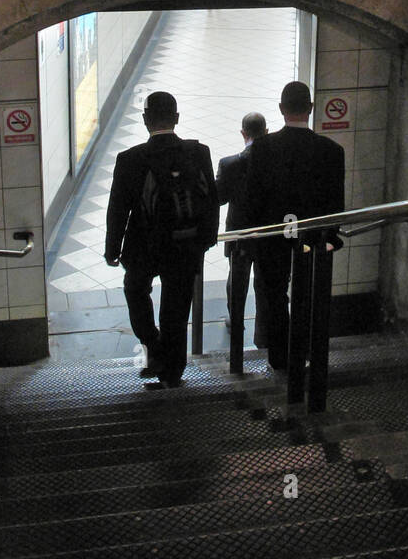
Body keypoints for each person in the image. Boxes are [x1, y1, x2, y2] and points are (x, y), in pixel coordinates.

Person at [104, 91, 219, 387]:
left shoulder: (129, 159)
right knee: (177, 306)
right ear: (177, 118)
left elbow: (118, 208)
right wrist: (207, 239)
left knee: (135, 289)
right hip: (186, 244)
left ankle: (152, 345)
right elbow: (211, 200)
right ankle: (173, 371)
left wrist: (112, 249)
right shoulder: (199, 152)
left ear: (145, 121)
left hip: (144, 246)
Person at [243, 81, 345, 372]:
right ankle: (308, 353)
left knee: (275, 296)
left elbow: (253, 199)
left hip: (273, 237)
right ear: (311, 109)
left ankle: (280, 358)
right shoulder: (331, 151)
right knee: (309, 293)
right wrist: (330, 237)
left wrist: (252, 237)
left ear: (280, 109)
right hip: (313, 238)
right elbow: (335, 204)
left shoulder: (262, 148)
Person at [215, 111, 267, 340]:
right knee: (265, 282)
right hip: (269, 233)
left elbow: (219, 198)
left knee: (237, 279)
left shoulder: (229, 164)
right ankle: (263, 331)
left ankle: (235, 322)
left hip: (239, 232)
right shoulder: (277, 161)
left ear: (243, 133)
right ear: (266, 132)